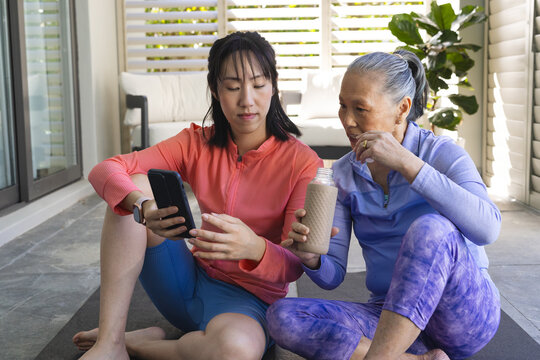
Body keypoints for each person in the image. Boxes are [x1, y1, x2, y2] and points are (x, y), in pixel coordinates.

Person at [72, 31, 322, 360]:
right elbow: (106, 169)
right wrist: (142, 206)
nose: (247, 100)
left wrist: (254, 247)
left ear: (273, 87)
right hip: (184, 284)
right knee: (133, 186)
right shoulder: (196, 143)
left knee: (235, 352)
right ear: (216, 90)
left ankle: (135, 342)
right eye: (233, 86)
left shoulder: (302, 163)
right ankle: (110, 344)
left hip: (248, 306)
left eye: (259, 84)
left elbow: (293, 266)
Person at [266, 50, 502, 360]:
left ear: (402, 108)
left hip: (463, 316)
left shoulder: (443, 154)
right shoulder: (343, 174)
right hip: (390, 316)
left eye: (361, 109)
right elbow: (332, 276)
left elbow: (488, 228)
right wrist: (312, 259)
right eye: (343, 106)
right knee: (282, 316)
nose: (348, 121)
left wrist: (406, 163)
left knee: (431, 228)